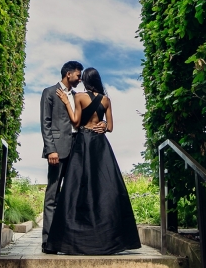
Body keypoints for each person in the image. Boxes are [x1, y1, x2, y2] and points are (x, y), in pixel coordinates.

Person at [45, 67, 141, 255]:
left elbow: (75, 122)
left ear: (86, 81)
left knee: (76, 188)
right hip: (101, 145)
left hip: (83, 143)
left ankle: (73, 238)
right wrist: (103, 124)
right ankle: (110, 237)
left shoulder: (79, 97)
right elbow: (110, 127)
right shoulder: (106, 100)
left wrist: (66, 102)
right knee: (104, 187)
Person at [40, 61, 107, 253]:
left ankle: (70, 240)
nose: (80, 79)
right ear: (68, 74)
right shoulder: (49, 92)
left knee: (75, 195)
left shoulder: (79, 96)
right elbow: (45, 124)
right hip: (58, 150)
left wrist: (102, 124)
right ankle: (48, 241)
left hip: (80, 149)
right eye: (78, 75)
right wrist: (50, 149)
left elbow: (89, 116)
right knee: (52, 194)